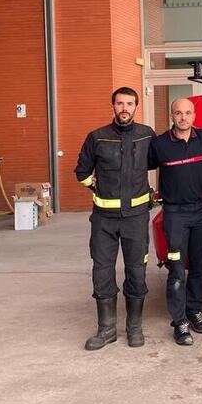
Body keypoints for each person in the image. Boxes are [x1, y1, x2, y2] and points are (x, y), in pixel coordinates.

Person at [75, 87, 156, 351]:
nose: (124, 108)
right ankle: (106, 329)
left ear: (136, 107)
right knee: (102, 272)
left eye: (129, 104)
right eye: (120, 103)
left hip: (135, 218)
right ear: (112, 106)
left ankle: (134, 327)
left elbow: (163, 159)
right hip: (104, 220)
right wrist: (96, 187)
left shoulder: (147, 135)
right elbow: (82, 171)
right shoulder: (97, 138)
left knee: (136, 272)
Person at [149, 97, 202, 346]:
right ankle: (179, 323)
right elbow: (136, 167)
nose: (183, 117)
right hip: (175, 213)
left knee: (198, 268)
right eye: (178, 113)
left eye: (187, 113)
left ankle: (195, 312)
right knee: (176, 271)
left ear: (194, 115)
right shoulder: (160, 144)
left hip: (200, 211)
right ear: (171, 116)